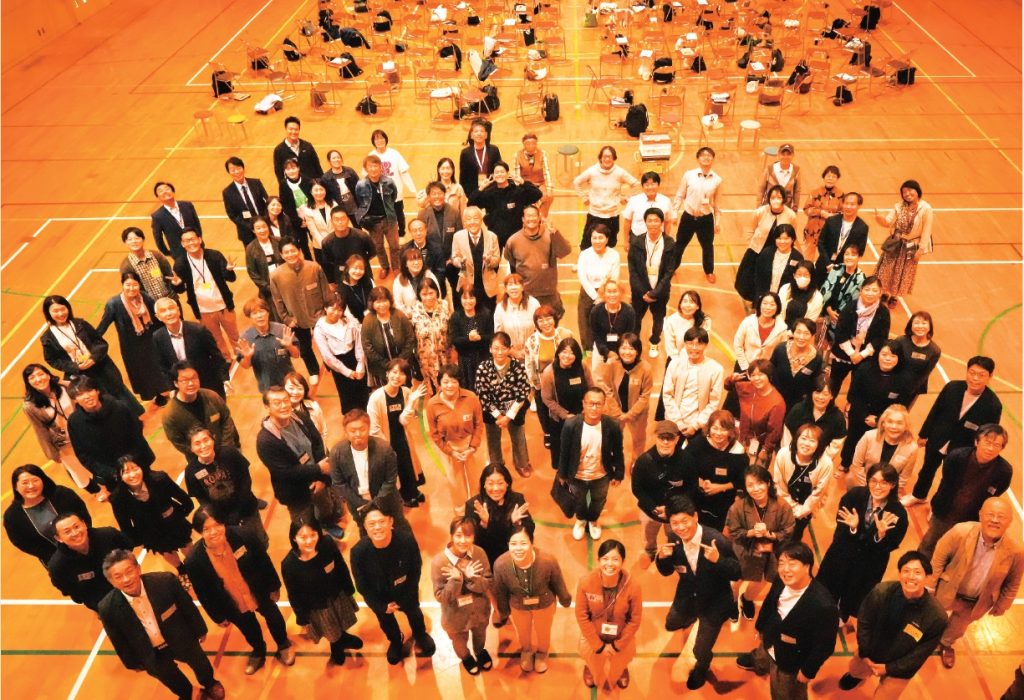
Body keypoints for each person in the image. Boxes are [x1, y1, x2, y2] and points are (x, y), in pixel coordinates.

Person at [98, 549, 225, 700]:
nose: (126, 579)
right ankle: (189, 693)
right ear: (111, 581)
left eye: (129, 571)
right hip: (150, 652)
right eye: (118, 576)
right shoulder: (107, 608)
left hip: (181, 637)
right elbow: (118, 639)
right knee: (171, 679)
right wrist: (132, 663)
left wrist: (200, 630)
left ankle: (210, 683)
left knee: (199, 662)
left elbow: (187, 607)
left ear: (138, 569)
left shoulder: (165, 582)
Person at [185, 508, 296, 675]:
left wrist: (274, 586)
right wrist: (217, 616)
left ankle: (283, 644)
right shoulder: (194, 561)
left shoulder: (244, 535)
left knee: (274, 617)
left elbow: (263, 561)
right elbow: (203, 593)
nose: (213, 532)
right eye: (206, 529)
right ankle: (258, 650)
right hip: (232, 604)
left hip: (259, 591)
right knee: (248, 629)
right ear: (199, 532)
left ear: (223, 523)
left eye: (217, 525)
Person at [656, 496, 741, 690]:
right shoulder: (674, 540)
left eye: (684, 521)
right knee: (671, 623)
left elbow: (736, 572)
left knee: (700, 649)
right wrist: (662, 559)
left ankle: (702, 667)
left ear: (695, 517)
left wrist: (719, 561)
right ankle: (689, 617)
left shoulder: (716, 540)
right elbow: (666, 571)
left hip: (714, 601)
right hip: (688, 594)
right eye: (675, 523)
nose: (680, 527)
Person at [735, 542, 839, 699]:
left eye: (792, 563)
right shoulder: (780, 579)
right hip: (770, 636)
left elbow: (825, 645)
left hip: (791, 660)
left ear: (807, 566)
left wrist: (808, 671)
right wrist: (760, 626)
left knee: (784, 692)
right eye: (781, 563)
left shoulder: (823, 605)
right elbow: (769, 602)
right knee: (762, 654)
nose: (785, 569)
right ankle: (759, 664)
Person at [929, 498, 1023, 669]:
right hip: (948, 590)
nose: (995, 520)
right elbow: (938, 559)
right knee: (933, 617)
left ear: (1009, 521)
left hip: (976, 602)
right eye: (990, 514)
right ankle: (926, 637)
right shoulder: (960, 532)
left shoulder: (1016, 551)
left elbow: (1013, 582)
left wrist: (1003, 604)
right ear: (980, 515)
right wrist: (930, 585)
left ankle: (945, 643)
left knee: (958, 628)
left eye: (1001, 517)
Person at [837, 551, 948, 696]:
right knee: (855, 670)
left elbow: (919, 654)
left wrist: (889, 668)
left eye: (917, 572)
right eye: (906, 571)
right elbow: (864, 621)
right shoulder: (881, 592)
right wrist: (864, 653)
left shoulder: (937, 616)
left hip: (901, 668)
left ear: (927, 577)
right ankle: (857, 676)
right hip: (869, 653)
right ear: (899, 574)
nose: (911, 576)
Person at [818, 463, 908, 628]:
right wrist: (853, 528)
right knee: (830, 584)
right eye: (873, 481)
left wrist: (880, 536)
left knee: (854, 593)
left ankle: (843, 614)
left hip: (869, 564)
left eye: (884, 482)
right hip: (842, 554)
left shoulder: (898, 513)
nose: (877, 487)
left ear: (893, 484)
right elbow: (841, 523)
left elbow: (892, 544)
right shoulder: (855, 495)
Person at [905, 356, 1002, 507]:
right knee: (927, 469)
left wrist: (977, 453)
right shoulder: (952, 387)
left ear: (990, 376)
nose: (975, 378)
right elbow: (935, 411)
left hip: (962, 448)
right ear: (967, 372)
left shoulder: (993, 405)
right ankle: (918, 495)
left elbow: (989, 434)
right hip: (938, 439)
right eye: (972, 373)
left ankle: (937, 507)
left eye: (981, 375)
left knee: (950, 479)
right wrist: (924, 434)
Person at [350, 505, 437, 665]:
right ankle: (396, 641)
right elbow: (362, 585)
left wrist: (405, 597)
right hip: (380, 597)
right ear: (365, 527)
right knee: (386, 622)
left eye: (382, 521)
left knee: (415, 614)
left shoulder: (406, 541)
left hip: (406, 591)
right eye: (372, 523)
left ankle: (420, 634)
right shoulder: (358, 552)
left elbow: (415, 569)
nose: (377, 527)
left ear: (391, 522)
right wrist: (380, 606)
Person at [918, 424, 1012, 557]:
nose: (990, 448)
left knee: (955, 552)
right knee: (929, 544)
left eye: (996, 445)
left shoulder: (1004, 471)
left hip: (971, 521)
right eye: (987, 442)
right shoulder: (957, 457)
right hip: (944, 512)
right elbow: (946, 483)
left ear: (1002, 448)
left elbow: (995, 494)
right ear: (977, 441)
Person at [255, 386, 339, 535]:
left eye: (286, 400)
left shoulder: (300, 417)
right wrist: (319, 469)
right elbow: (284, 473)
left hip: (317, 480)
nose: (283, 406)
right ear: (267, 407)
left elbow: (317, 443)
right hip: (296, 493)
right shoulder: (265, 441)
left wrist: (321, 479)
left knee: (325, 508)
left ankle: (327, 524)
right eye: (277, 403)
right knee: (305, 526)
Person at [41, 294, 143, 415]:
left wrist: (93, 358)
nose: (60, 313)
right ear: (48, 313)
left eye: (63, 309)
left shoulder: (80, 323)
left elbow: (100, 342)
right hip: (82, 375)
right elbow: (52, 360)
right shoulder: (48, 338)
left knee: (118, 392)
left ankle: (133, 417)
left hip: (102, 367)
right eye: (55, 311)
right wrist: (75, 366)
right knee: (99, 402)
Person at [280, 520, 363, 666]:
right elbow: (294, 593)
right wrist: (301, 616)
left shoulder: (328, 544)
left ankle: (343, 637)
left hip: (337, 595)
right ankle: (336, 646)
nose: (309, 541)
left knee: (342, 621)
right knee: (331, 631)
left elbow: (341, 566)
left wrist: (349, 588)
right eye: (303, 537)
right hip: (317, 606)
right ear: (294, 538)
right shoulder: (289, 564)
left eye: (313, 535)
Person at [492, 524, 571, 673]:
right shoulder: (500, 565)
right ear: (508, 545)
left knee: (543, 631)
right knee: (522, 632)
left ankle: (542, 653)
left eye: (523, 543)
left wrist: (564, 598)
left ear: (532, 543)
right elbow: (501, 591)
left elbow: (557, 581)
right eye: (513, 544)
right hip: (518, 606)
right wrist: (503, 611)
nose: (518, 548)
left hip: (544, 604)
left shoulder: (548, 561)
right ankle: (526, 651)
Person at [67, 376, 155, 501]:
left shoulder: (119, 407)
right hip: (111, 477)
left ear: (97, 391)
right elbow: (83, 455)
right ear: (74, 399)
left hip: (137, 466)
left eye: (89, 391)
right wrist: (111, 473)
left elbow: (136, 435)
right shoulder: (75, 422)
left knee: (154, 496)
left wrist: (131, 464)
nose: (87, 396)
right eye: (80, 394)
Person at [726, 465, 796, 621]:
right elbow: (734, 532)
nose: (756, 489)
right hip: (745, 550)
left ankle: (747, 599)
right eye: (750, 485)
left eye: (760, 483)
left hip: (771, 552)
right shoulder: (737, 507)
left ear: (768, 483)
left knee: (762, 581)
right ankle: (733, 602)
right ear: (745, 487)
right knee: (736, 580)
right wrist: (750, 533)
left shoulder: (783, 506)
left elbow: (788, 530)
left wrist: (769, 534)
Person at [575, 539, 643, 691]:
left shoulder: (633, 586)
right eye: (605, 559)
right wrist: (598, 646)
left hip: (621, 634)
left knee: (625, 655)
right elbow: (581, 616)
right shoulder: (585, 582)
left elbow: (635, 620)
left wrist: (617, 646)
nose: (610, 564)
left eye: (615, 559)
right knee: (588, 652)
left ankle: (622, 667)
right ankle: (589, 666)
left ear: (623, 561)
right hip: (594, 633)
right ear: (598, 560)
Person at [559, 387, 625, 541]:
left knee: (598, 500)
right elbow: (564, 451)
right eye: (591, 403)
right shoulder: (570, 425)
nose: (594, 408)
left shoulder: (612, 426)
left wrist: (619, 473)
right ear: (584, 404)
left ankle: (593, 520)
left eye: (598, 404)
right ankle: (581, 519)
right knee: (579, 500)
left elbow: (618, 451)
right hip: (577, 475)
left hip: (601, 475)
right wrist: (562, 474)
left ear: (604, 405)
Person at [430, 517, 494, 675]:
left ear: (474, 536)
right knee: (459, 642)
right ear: (451, 536)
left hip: (479, 612)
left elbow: (487, 584)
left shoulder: (479, 553)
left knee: (480, 636)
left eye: (468, 535)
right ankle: (466, 657)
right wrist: (456, 580)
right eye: (458, 535)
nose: (463, 541)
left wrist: (472, 578)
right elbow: (441, 597)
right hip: (455, 617)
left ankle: (480, 652)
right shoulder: (439, 562)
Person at [184, 427, 267, 548]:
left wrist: (238, 511)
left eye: (206, 440)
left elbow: (245, 480)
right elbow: (202, 499)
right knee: (239, 547)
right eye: (197, 443)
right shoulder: (191, 471)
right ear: (191, 448)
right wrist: (218, 517)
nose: (203, 446)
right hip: (222, 519)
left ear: (213, 439)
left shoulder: (229, 453)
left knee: (260, 542)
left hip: (247, 509)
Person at [110, 459, 194, 575]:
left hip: (173, 521)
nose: (132, 475)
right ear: (120, 476)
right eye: (126, 472)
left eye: (135, 468)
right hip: (150, 531)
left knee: (188, 547)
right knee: (166, 551)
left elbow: (185, 501)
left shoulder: (160, 479)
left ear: (142, 468)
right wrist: (141, 539)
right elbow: (125, 526)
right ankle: (182, 571)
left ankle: (196, 566)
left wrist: (177, 515)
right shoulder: (118, 498)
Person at [329, 408, 408, 531]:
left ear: (369, 428)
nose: (357, 434)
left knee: (400, 528)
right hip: (357, 504)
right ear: (346, 432)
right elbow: (339, 483)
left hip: (387, 500)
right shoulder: (336, 453)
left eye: (362, 429)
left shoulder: (384, 449)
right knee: (365, 530)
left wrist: (375, 503)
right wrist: (361, 504)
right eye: (353, 431)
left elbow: (390, 480)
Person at [840, 342, 912, 470]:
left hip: (884, 421)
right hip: (859, 414)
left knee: (874, 446)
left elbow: (901, 405)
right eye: (884, 354)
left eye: (893, 356)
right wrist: (864, 416)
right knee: (852, 439)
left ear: (899, 358)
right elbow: (853, 395)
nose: (888, 359)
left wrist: (879, 420)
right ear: (878, 354)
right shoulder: (864, 369)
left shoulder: (904, 379)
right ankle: (845, 463)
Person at [170, 229, 239, 362]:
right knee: (216, 340)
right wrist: (177, 284)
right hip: (203, 310)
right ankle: (225, 361)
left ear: (199, 239)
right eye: (187, 241)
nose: (191, 243)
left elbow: (230, 278)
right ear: (182, 244)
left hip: (224, 306)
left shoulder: (214, 255)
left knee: (235, 336)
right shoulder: (180, 264)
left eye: (193, 239)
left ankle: (242, 357)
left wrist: (229, 271)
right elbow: (180, 290)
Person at [269, 237, 330, 385]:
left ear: (299, 251)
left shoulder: (314, 268)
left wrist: (327, 312)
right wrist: (287, 319)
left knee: (327, 342)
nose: (290, 254)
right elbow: (277, 301)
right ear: (281, 255)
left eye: (293, 250)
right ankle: (313, 371)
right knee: (304, 347)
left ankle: (330, 364)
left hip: (319, 316)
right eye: (286, 252)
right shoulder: (276, 275)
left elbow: (326, 291)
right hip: (296, 319)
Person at [4, 464, 90, 567]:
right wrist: (54, 556)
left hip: (86, 546)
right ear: (16, 487)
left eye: (35, 480)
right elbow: (22, 542)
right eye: (25, 483)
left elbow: (83, 515)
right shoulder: (12, 516)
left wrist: (83, 540)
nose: (31, 486)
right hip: (57, 561)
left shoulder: (62, 494)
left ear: (43, 480)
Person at [368, 360, 427, 507]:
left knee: (407, 463)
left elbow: (404, 420)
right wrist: (386, 447)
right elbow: (374, 429)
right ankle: (403, 496)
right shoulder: (376, 398)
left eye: (402, 373)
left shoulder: (406, 392)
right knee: (395, 466)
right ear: (387, 374)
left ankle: (412, 491)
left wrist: (411, 402)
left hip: (403, 436)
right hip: (385, 441)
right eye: (394, 372)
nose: (397, 376)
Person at [21, 364, 92, 488]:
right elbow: (40, 430)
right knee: (78, 471)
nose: (38, 379)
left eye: (40, 374)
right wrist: (52, 453)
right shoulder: (30, 406)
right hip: (64, 442)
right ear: (28, 383)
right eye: (32, 377)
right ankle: (95, 491)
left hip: (84, 431)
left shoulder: (65, 387)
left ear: (48, 375)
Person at [475, 332, 533, 478]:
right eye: (496, 348)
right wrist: (498, 416)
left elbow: (523, 392)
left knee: (518, 437)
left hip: (515, 409)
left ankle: (521, 463)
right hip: (491, 410)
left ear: (509, 349)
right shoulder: (483, 368)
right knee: (492, 438)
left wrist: (508, 416)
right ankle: (496, 463)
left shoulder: (517, 366)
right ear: (490, 349)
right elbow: (483, 395)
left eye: (503, 348)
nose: (499, 352)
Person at [632, 421, 691, 564]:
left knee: (675, 537)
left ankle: (674, 555)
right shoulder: (643, 461)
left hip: (676, 512)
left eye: (670, 438)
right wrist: (653, 508)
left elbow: (691, 486)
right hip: (651, 512)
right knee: (649, 536)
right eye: (661, 437)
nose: (665, 442)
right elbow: (637, 489)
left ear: (677, 439)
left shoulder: (686, 460)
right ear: (655, 437)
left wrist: (672, 509)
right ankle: (650, 551)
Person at [47, 511, 131, 610]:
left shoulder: (109, 535)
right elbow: (65, 587)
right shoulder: (57, 565)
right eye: (67, 531)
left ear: (84, 524)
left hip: (126, 582)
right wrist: (84, 599)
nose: (75, 533)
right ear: (58, 538)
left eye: (76, 527)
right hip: (98, 599)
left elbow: (128, 547)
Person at [427, 365, 486, 499]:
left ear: (459, 382)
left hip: (472, 445)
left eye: (454, 381)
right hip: (449, 448)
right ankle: (461, 509)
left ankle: (478, 506)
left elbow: (479, 424)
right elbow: (435, 435)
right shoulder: (432, 404)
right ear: (439, 383)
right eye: (445, 382)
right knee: (456, 484)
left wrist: (472, 447)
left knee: (477, 479)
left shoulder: (471, 397)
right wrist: (451, 452)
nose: (450, 386)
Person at [152, 297, 230, 399]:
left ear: (178, 310)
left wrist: (225, 378)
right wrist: (171, 388)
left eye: (171, 308)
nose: (169, 313)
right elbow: (163, 366)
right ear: (158, 317)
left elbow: (216, 356)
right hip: (183, 389)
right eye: (163, 311)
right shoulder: (158, 337)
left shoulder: (199, 330)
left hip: (208, 383)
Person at [682, 410, 747, 532]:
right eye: (715, 428)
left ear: (731, 431)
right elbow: (684, 467)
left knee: (715, 533)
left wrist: (721, 487)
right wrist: (699, 481)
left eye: (723, 429)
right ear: (709, 428)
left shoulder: (738, 452)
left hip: (723, 502)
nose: (718, 433)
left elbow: (742, 481)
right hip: (696, 497)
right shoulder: (697, 444)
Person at [874, 179, 934, 308]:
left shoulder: (926, 209)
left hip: (911, 246)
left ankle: (894, 296)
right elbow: (888, 222)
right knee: (886, 269)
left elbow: (927, 230)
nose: (907, 194)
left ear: (917, 191)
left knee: (903, 272)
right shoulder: (899, 206)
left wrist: (920, 250)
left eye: (910, 190)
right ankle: (884, 292)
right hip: (896, 243)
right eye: (904, 192)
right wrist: (880, 219)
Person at [735, 185, 798, 308]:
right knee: (748, 278)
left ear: (784, 199)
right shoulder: (760, 212)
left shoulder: (791, 215)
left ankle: (768, 303)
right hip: (757, 250)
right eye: (773, 197)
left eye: (779, 197)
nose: (775, 200)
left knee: (767, 279)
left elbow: (792, 234)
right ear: (768, 198)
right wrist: (750, 246)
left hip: (776, 252)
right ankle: (755, 300)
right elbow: (750, 230)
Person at [828, 276, 891, 395]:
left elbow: (881, 338)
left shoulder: (883, 312)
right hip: (844, 351)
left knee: (859, 387)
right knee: (833, 384)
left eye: (874, 290)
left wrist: (862, 355)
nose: (870, 293)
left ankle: (850, 404)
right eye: (867, 289)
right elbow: (840, 331)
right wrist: (851, 353)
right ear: (861, 290)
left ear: (880, 292)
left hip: (866, 356)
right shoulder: (851, 307)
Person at [598, 331, 653, 466]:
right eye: (623, 348)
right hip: (615, 412)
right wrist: (617, 412)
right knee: (613, 437)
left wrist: (629, 415)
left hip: (638, 414)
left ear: (638, 351)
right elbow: (607, 389)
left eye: (631, 348)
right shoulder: (612, 364)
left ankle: (636, 463)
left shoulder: (645, 368)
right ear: (618, 349)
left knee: (638, 440)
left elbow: (645, 396)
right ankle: (615, 460)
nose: (627, 352)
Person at [504, 205, 571, 316]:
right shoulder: (513, 241)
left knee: (550, 323)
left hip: (549, 295)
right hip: (526, 295)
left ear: (539, 218)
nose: (531, 219)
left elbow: (565, 251)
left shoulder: (550, 234)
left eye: (534, 215)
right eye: (528, 216)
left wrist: (555, 233)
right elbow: (511, 264)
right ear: (523, 219)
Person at [628, 207, 677, 358]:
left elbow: (669, 272)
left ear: (662, 223)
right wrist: (644, 292)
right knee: (635, 319)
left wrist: (655, 293)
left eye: (656, 220)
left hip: (660, 293)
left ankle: (654, 341)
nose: (653, 224)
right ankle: (634, 344)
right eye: (650, 220)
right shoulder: (636, 242)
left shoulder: (670, 243)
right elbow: (633, 271)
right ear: (645, 222)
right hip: (640, 293)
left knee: (658, 320)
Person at [161, 361, 240, 456]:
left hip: (226, 450)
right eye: (185, 380)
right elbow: (178, 441)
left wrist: (225, 446)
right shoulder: (170, 414)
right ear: (176, 383)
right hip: (199, 458)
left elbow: (226, 419)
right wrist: (203, 452)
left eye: (194, 378)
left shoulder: (211, 396)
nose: (191, 383)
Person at [662, 327, 725, 440]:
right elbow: (667, 395)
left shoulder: (716, 369)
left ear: (706, 345)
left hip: (700, 426)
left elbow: (714, 402)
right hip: (673, 423)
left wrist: (696, 425)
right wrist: (678, 423)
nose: (694, 348)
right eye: (690, 343)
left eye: (699, 344)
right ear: (685, 344)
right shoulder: (674, 364)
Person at [772, 423, 832, 541]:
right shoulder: (784, 454)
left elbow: (819, 493)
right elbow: (779, 485)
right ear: (796, 439)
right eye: (803, 438)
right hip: (783, 504)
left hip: (806, 510)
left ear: (819, 444)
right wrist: (792, 508)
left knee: (796, 534)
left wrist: (802, 512)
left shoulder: (826, 463)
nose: (806, 443)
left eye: (812, 441)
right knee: (778, 531)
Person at [657, 290, 711, 420]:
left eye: (692, 302)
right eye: (685, 301)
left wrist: (695, 360)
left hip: (697, 360)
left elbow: (704, 344)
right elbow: (671, 347)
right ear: (680, 304)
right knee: (671, 393)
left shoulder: (705, 320)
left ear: (698, 306)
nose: (687, 305)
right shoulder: (671, 321)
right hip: (676, 361)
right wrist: (682, 364)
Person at [541, 338, 594, 468]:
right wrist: (565, 415)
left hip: (582, 416)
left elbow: (591, 388)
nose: (567, 356)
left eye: (572, 353)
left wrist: (586, 409)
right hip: (560, 419)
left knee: (580, 447)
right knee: (561, 453)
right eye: (564, 352)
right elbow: (547, 399)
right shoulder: (549, 372)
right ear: (558, 352)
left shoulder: (582, 366)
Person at [524, 305, 574, 445]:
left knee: (564, 408)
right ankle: (548, 433)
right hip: (541, 381)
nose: (545, 323)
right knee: (543, 409)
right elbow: (529, 364)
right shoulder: (532, 341)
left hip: (563, 379)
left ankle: (567, 431)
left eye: (548, 319)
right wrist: (535, 384)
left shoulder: (565, 335)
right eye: (540, 320)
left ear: (555, 319)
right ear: (536, 323)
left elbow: (574, 355)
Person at [672, 146, 723, 283]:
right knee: (679, 244)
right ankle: (671, 268)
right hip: (688, 217)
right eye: (703, 155)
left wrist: (717, 222)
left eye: (709, 155)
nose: (706, 157)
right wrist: (675, 213)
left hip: (706, 219)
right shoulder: (688, 175)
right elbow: (680, 194)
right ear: (698, 158)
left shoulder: (717, 180)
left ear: (713, 159)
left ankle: (709, 271)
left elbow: (717, 204)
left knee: (708, 246)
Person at [574, 145, 640, 249]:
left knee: (609, 246)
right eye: (605, 156)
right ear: (600, 158)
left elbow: (636, 184)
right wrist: (583, 197)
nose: (607, 159)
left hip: (612, 216)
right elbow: (577, 182)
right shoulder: (592, 171)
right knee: (587, 246)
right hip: (595, 214)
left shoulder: (620, 172)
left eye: (610, 156)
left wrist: (627, 198)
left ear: (614, 158)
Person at [468, 160, 543, 250]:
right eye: (497, 172)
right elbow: (470, 204)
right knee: (493, 259)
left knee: (517, 259)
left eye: (502, 172)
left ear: (508, 174)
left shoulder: (517, 191)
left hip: (515, 236)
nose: (499, 174)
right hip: (495, 236)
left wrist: (523, 182)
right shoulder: (489, 193)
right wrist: (481, 188)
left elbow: (538, 194)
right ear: (493, 175)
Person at [313, 294, 368, 412]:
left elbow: (358, 341)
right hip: (338, 363)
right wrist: (347, 372)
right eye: (332, 308)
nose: (336, 313)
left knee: (362, 391)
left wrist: (360, 364)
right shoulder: (320, 329)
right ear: (325, 308)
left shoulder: (348, 321)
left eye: (339, 309)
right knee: (347, 394)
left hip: (354, 357)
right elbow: (327, 357)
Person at [727, 358, 787, 465]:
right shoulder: (748, 388)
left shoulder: (777, 402)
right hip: (742, 440)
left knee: (753, 473)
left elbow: (774, 431)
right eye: (753, 375)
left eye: (761, 374)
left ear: (769, 375)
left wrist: (766, 450)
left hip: (761, 448)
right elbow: (729, 386)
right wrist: (732, 379)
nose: (756, 379)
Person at [848, 404, 919, 493]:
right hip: (863, 483)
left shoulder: (912, 448)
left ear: (906, 426)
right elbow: (857, 465)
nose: (894, 426)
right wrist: (868, 487)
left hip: (888, 490)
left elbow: (903, 478)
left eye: (899, 423)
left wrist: (885, 491)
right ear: (883, 423)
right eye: (890, 422)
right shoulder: (869, 436)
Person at [782, 375, 848, 465]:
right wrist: (791, 456)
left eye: (825, 394)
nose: (821, 397)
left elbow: (836, 444)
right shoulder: (798, 410)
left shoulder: (837, 418)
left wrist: (819, 462)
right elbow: (787, 434)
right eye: (817, 392)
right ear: (812, 393)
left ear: (832, 396)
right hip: (794, 457)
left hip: (819, 462)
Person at [237, 297, 298, 392]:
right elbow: (245, 366)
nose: (259, 316)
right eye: (254, 313)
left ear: (268, 313)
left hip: (289, 383)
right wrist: (248, 357)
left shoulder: (281, 330)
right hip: (266, 387)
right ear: (249, 317)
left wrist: (289, 346)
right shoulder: (245, 338)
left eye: (261, 311)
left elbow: (296, 355)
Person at [355, 153, 402, 276]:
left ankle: (396, 267)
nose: (373, 169)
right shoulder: (361, 185)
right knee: (378, 247)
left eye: (375, 166)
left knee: (394, 246)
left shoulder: (389, 182)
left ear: (380, 167)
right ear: (366, 169)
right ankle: (385, 266)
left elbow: (394, 196)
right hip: (373, 222)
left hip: (389, 219)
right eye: (370, 166)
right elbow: (360, 202)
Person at [576, 225, 621, 352]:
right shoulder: (584, 254)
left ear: (607, 239)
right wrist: (596, 297)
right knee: (585, 323)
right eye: (594, 238)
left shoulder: (614, 255)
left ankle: (607, 350)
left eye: (600, 238)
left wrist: (603, 296)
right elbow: (583, 278)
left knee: (608, 323)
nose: (597, 241)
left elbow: (614, 277)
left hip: (608, 293)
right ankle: (588, 351)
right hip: (588, 292)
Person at [361, 287, 417, 388]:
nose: (382, 305)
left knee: (405, 391)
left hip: (403, 365)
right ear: (372, 303)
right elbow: (367, 347)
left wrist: (399, 362)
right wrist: (387, 365)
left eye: (384, 301)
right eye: (378, 302)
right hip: (381, 368)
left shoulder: (399, 315)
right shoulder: (368, 320)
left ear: (390, 301)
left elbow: (410, 338)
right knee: (387, 393)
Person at [367, 129, 417, 240]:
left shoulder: (394, 154)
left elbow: (404, 172)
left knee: (399, 214)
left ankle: (401, 233)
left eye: (382, 138)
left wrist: (412, 189)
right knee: (383, 215)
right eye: (376, 139)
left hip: (395, 192)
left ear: (386, 139)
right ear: (373, 142)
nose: (380, 141)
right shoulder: (371, 156)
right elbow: (367, 175)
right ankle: (387, 234)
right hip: (379, 194)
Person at [818, 244, 866, 355]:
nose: (849, 257)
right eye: (847, 254)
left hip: (841, 319)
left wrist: (837, 316)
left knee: (835, 345)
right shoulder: (836, 268)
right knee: (821, 342)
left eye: (853, 255)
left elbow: (853, 303)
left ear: (859, 257)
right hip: (826, 313)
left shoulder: (861, 279)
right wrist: (828, 309)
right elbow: (825, 289)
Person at [732, 293, 788, 387]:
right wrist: (745, 367)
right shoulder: (748, 322)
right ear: (760, 305)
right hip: (743, 366)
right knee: (738, 392)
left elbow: (781, 353)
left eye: (772, 304)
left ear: (777, 307)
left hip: (764, 373)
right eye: (765, 303)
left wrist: (769, 370)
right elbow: (738, 345)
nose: (768, 307)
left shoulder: (782, 329)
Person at [451, 206, 501, 312]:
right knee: (468, 315)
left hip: (488, 285)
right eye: (468, 219)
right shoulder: (457, 236)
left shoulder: (492, 236)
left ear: (481, 219)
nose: (472, 222)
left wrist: (489, 261)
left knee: (489, 315)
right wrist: (460, 263)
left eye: (475, 218)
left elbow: (497, 261)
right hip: (466, 283)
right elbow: (454, 257)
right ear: (464, 222)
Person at [413, 184, 459, 300]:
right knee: (437, 292)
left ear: (444, 194)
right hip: (433, 262)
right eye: (433, 194)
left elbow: (459, 237)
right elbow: (421, 239)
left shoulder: (454, 212)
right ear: (428, 196)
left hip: (451, 261)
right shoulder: (422, 214)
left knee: (457, 290)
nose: (437, 196)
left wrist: (452, 258)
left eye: (440, 193)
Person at [815, 192, 869, 284]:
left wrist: (841, 266)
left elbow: (860, 251)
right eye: (846, 203)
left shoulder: (862, 227)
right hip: (824, 265)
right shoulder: (831, 221)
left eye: (852, 204)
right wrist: (828, 264)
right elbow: (820, 242)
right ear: (842, 204)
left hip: (845, 270)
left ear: (859, 206)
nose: (848, 207)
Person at [769, 318, 822, 410]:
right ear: (793, 333)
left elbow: (814, 384)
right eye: (798, 332)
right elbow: (770, 370)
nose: (801, 337)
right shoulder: (781, 349)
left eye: (806, 333)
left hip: (798, 405)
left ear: (812, 335)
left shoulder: (816, 358)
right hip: (775, 399)